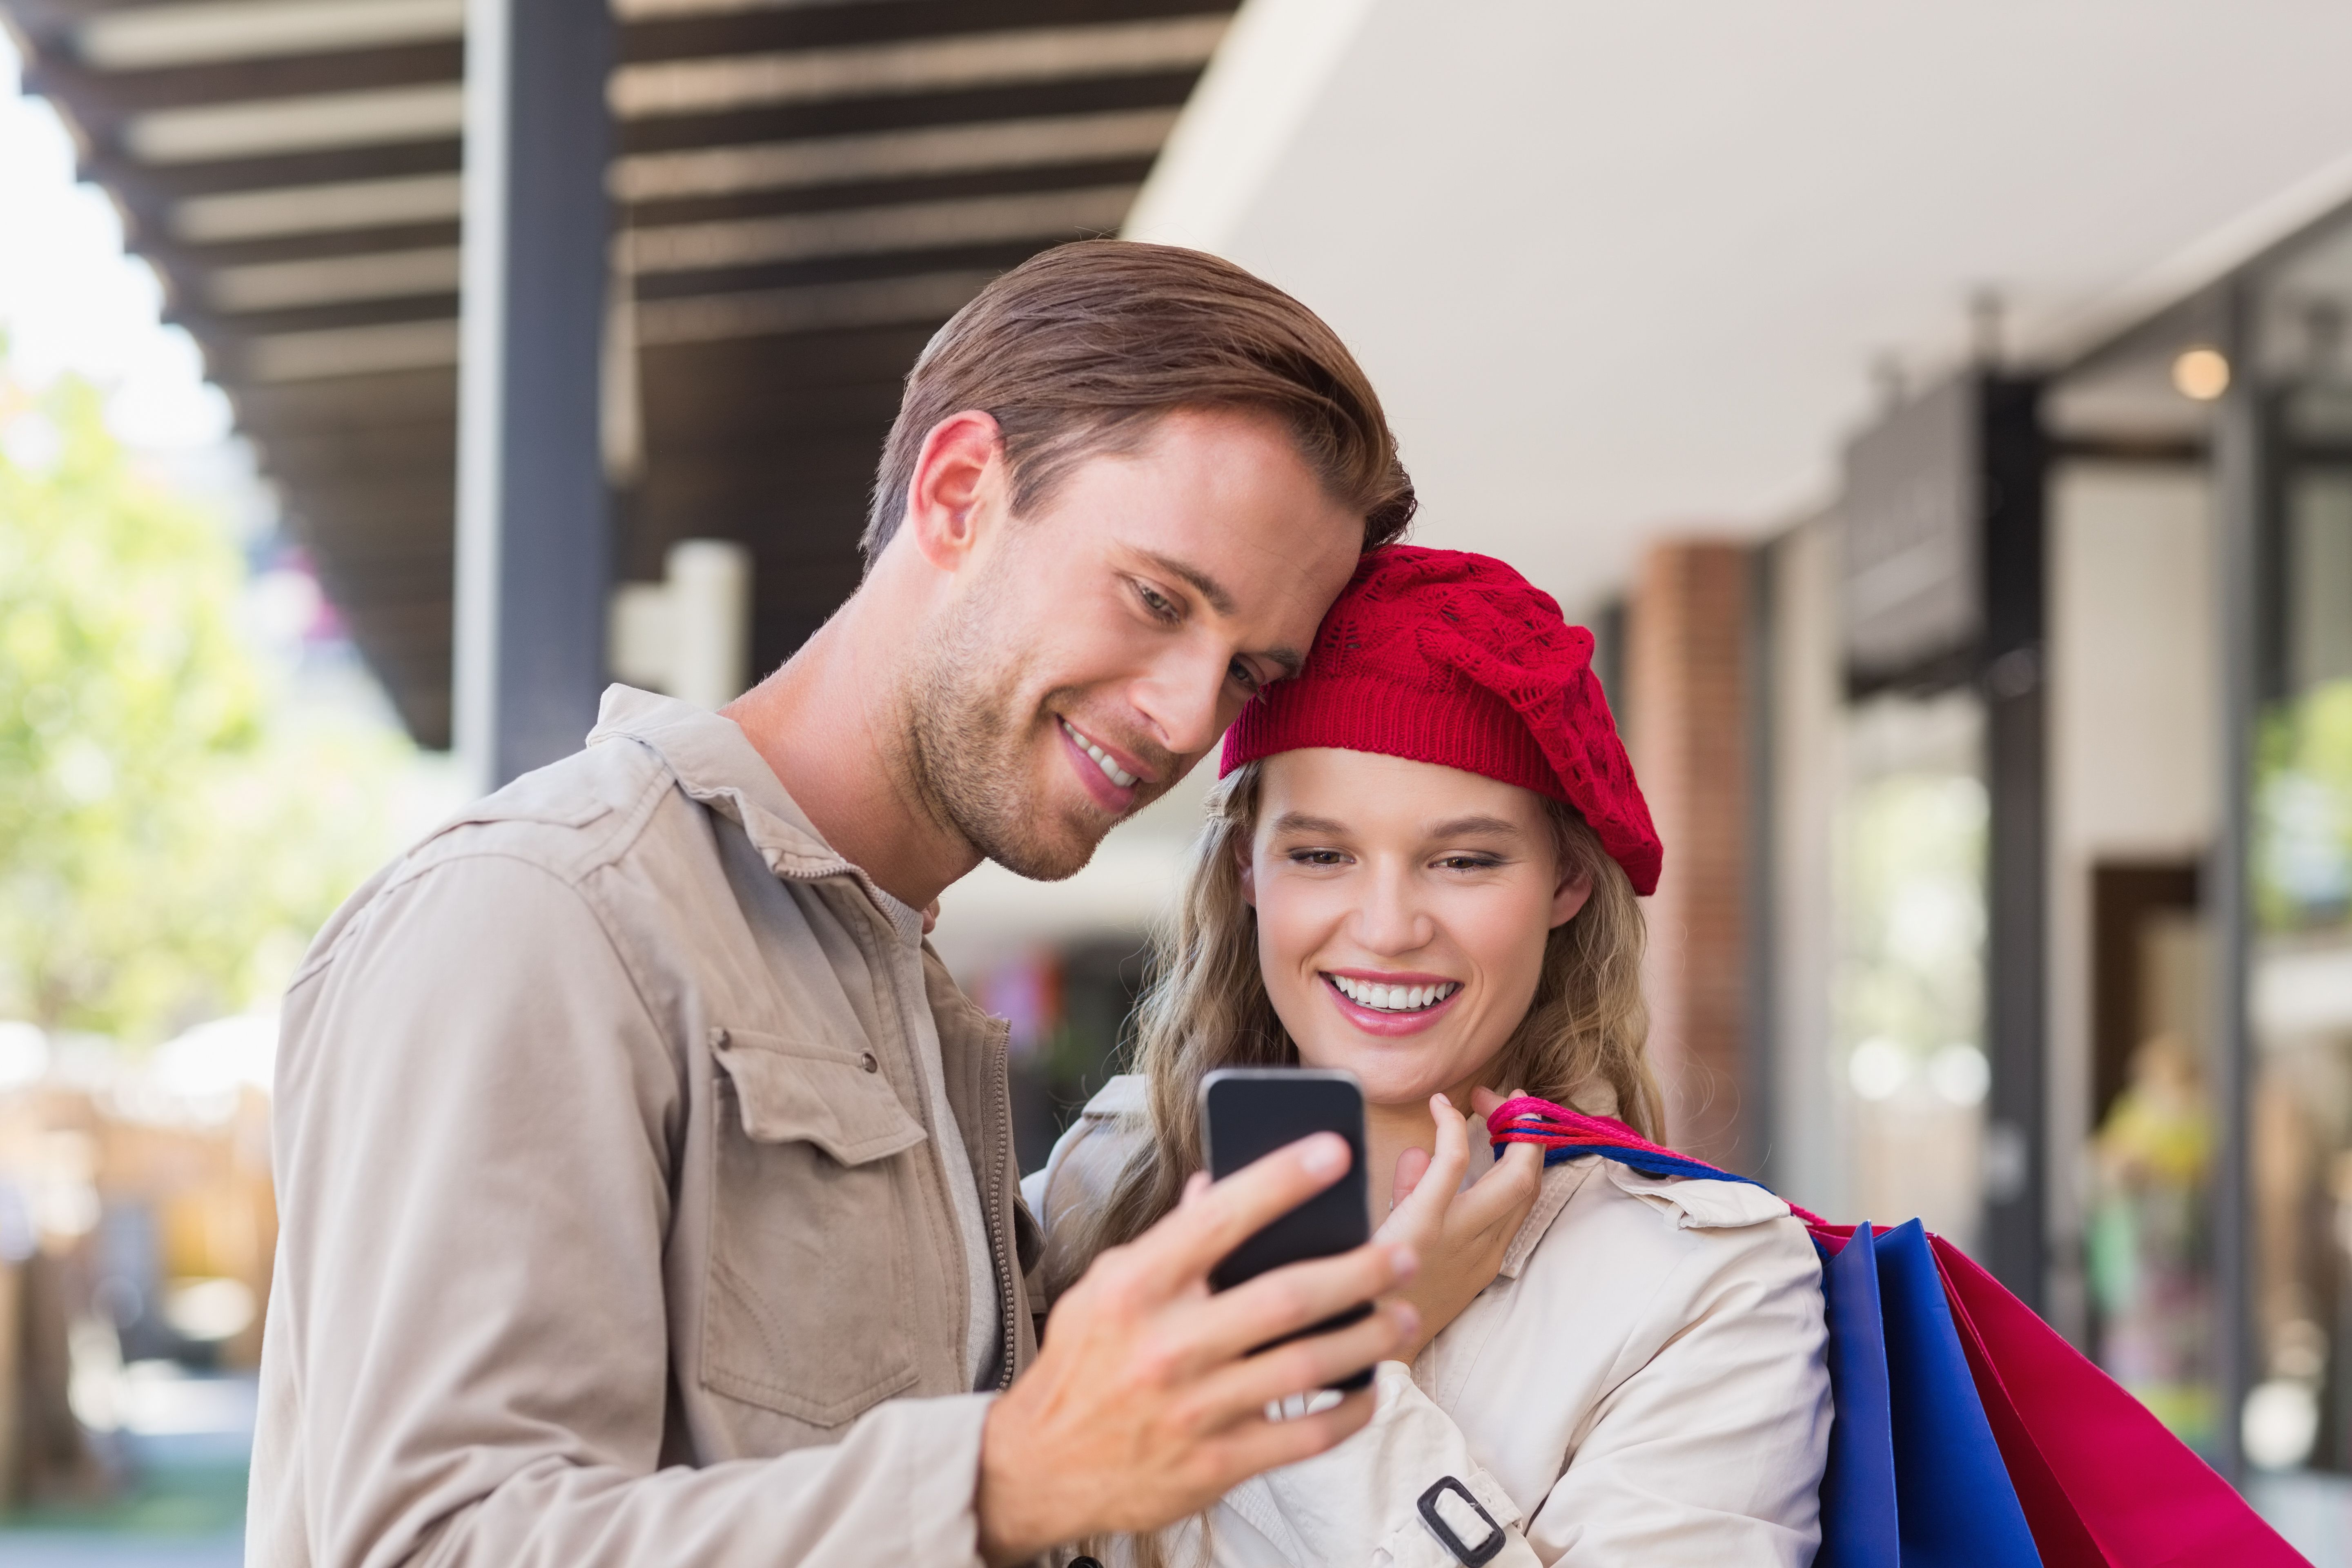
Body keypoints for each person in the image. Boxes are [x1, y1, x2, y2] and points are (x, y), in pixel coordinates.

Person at [249, 241, 1430, 1568]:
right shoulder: (548, 914)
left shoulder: (908, 1001)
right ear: (961, 490)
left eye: (1247, 670)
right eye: (1158, 599)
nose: (1184, 713)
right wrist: (1000, 1483)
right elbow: (433, 1548)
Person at [1027, 546, 1833, 1566]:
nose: (1388, 927)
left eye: (1465, 860)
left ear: (1567, 886)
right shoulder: (1098, 1183)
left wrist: (1334, 1375)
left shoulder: (1709, 1289)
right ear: (1249, 872)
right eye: (1321, 855)